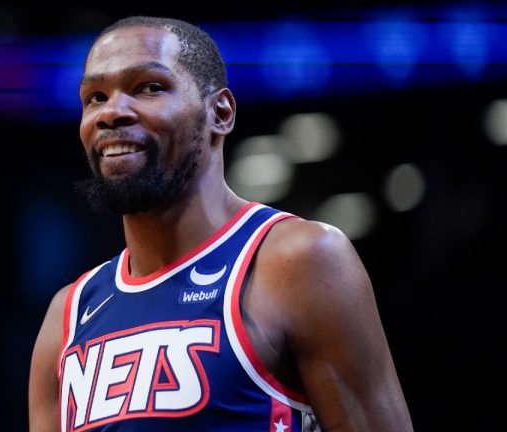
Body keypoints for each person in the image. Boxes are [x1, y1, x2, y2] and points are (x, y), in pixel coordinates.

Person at [29, 16, 413, 432]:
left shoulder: (299, 259)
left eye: (149, 88)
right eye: (95, 97)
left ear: (221, 112)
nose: (112, 112)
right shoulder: (69, 315)